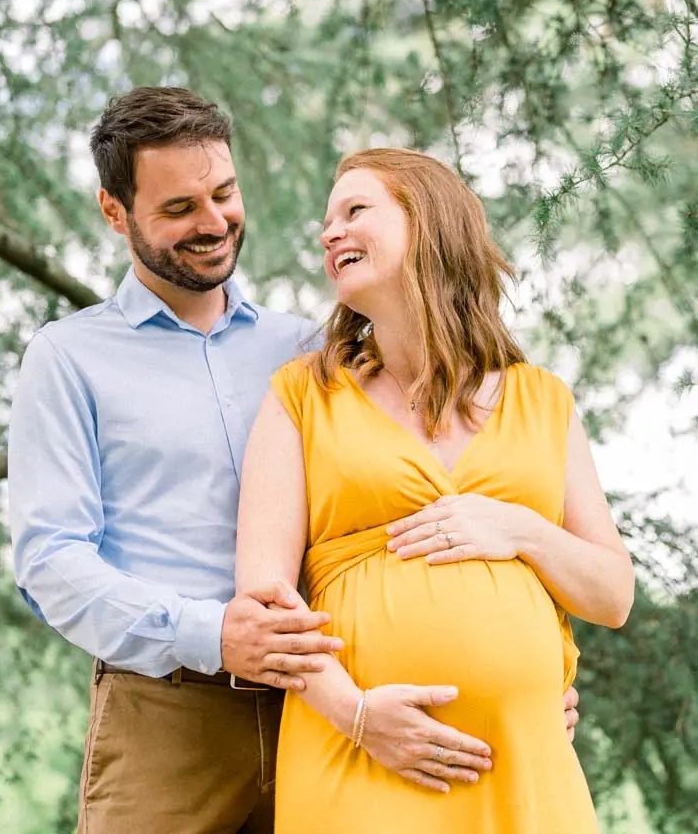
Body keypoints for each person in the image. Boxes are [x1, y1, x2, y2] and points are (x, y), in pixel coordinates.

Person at [8, 88, 580, 834]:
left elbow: (430, 494)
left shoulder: (313, 352)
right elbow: (50, 562)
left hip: (337, 707)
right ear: (116, 213)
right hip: (171, 711)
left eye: (224, 192)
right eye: (179, 208)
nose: (213, 223)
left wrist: (536, 672)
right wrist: (212, 634)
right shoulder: (69, 358)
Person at [235, 147, 635, 833]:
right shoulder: (305, 395)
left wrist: (520, 530)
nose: (330, 233)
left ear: (429, 222)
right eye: (326, 222)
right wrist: (358, 717)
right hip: (357, 757)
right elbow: (266, 604)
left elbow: (612, 595)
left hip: (522, 764)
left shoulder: (543, 401)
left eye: (355, 210)